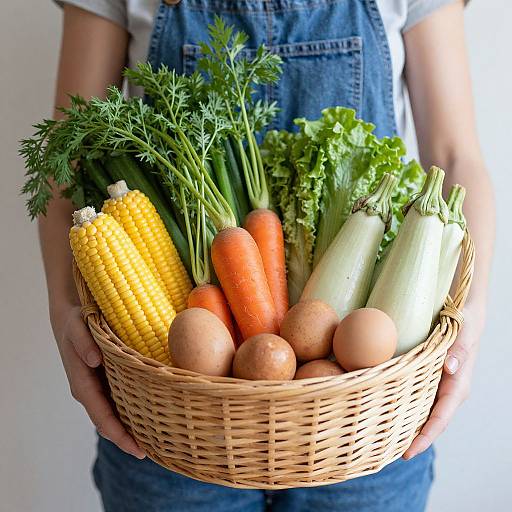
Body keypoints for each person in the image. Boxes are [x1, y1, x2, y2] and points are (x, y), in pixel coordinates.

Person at [41, 1, 494, 510]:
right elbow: (69, 157)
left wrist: (470, 317)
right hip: (176, 415)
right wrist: (63, 309)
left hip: (364, 411)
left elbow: (455, 158)